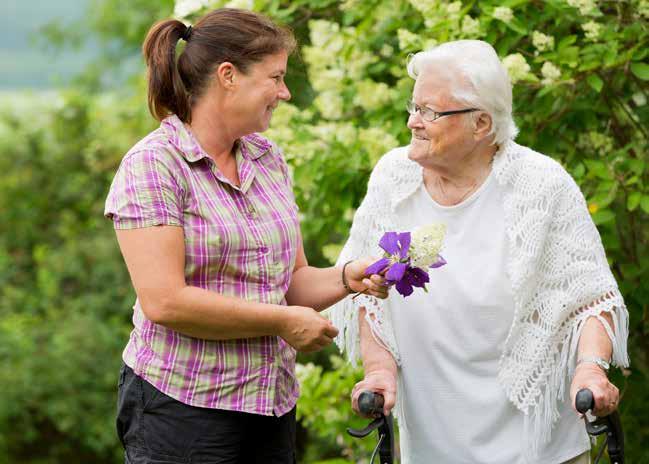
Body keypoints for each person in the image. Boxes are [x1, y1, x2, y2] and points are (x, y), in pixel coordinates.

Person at [104, 9, 388, 464]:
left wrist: (348, 278)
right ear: (228, 76)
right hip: (183, 409)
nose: (285, 92)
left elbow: (290, 284)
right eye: (275, 77)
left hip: (269, 406)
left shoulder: (266, 156)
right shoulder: (154, 165)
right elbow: (164, 301)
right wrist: (281, 321)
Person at [329, 40, 629, 464]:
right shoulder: (393, 177)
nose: (414, 122)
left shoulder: (541, 185)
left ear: (481, 124)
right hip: (433, 443)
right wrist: (378, 370)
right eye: (413, 108)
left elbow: (590, 299)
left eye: (430, 111)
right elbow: (367, 293)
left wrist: (591, 368)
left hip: (539, 448)